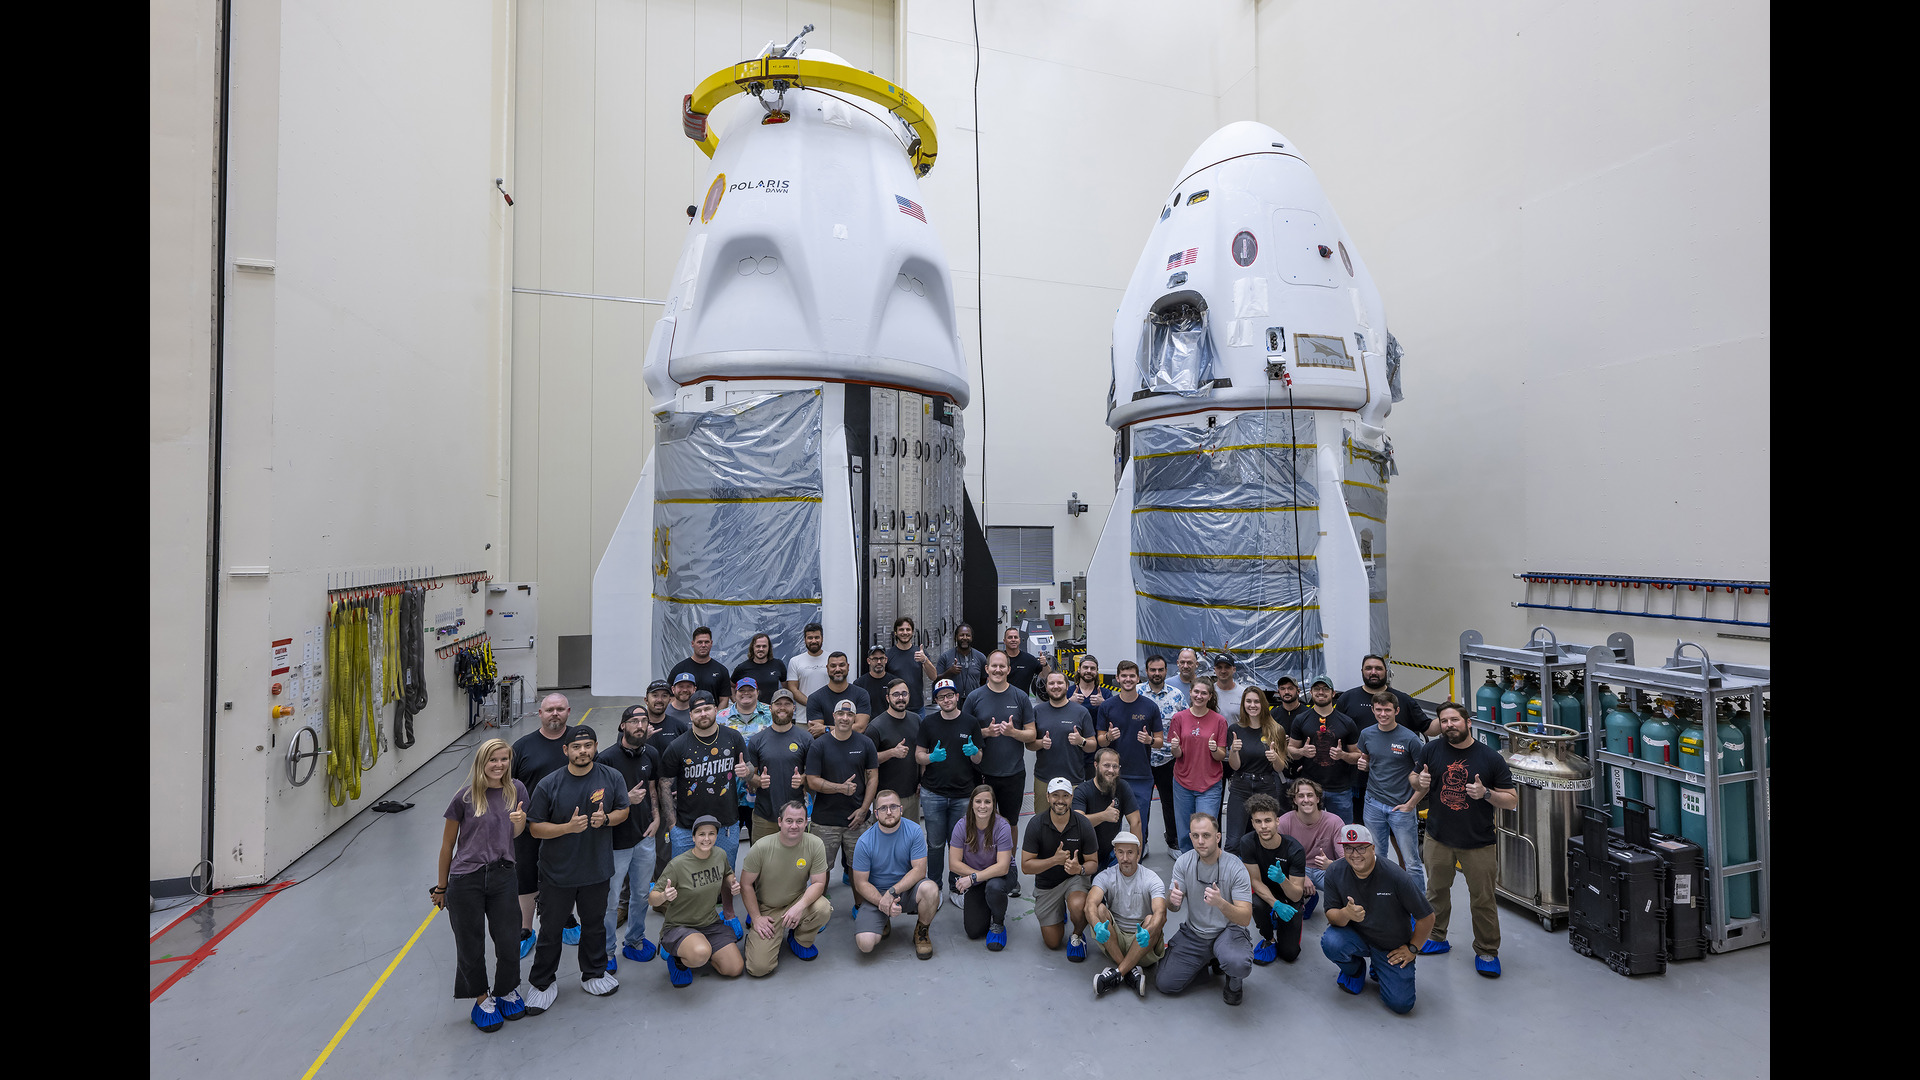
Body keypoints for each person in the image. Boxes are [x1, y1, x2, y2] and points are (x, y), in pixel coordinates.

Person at [523, 725, 628, 1013]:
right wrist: (567, 828)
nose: (583, 751)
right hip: (557, 873)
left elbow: (623, 810)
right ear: (566, 750)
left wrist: (606, 819)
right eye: (576, 746)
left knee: (594, 926)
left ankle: (593, 973)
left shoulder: (611, 777)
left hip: (597, 869)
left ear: (595, 747)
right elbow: (534, 829)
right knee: (550, 929)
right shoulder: (549, 784)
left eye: (588, 745)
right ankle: (542, 983)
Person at [1409, 701, 1518, 977]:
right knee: (1435, 891)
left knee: (1482, 899)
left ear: (1468, 722)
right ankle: (1435, 936)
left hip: (1477, 842)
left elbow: (1512, 800)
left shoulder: (1490, 758)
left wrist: (1486, 794)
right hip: (1437, 837)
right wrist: (1417, 783)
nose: (1449, 726)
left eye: (1454, 720)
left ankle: (1487, 950)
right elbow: (1415, 777)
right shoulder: (1431, 749)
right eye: (1444, 721)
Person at [432, 738, 531, 1031]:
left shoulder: (518, 790)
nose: (498, 765)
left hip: (503, 875)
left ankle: (506, 990)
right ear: (481, 763)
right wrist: (441, 888)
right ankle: (481, 998)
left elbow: (516, 834)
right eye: (493, 760)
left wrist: (521, 819)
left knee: (509, 939)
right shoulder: (464, 797)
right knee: (470, 943)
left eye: (504, 759)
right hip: (466, 880)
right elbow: (448, 844)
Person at [658, 692, 749, 935]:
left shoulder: (733, 738)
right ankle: (680, 923)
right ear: (690, 715)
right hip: (687, 827)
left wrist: (746, 771)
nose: (703, 714)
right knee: (683, 880)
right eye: (697, 711)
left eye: (707, 709)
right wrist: (672, 825)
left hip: (726, 824)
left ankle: (728, 914)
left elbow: (748, 767)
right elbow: (665, 784)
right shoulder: (678, 746)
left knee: (726, 874)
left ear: (716, 711)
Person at [1320, 824, 1435, 1014]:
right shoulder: (1335, 871)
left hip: (1391, 946)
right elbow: (1331, 915)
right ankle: (1356, 970)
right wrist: (1346, 914)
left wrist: (1413, 948)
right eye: (1348, 848)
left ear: (1373, 848)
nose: (1355, 854)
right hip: (1357, 937)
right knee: (1331, 942)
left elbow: (1427, 917)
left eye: (1361, 848)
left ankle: (1379, 966)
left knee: (1401, 1004)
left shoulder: (1396, 876)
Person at [1155, 812, 1255, 1005]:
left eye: (1206, 835)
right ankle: (1207, 960)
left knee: (1238, 963)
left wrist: (1221, 903)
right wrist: (1172, 900)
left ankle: (1233, 979)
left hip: (1227, 931)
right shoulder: (1184, 862)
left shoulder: (1236, 867)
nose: (1200, 841)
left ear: (1218, 837)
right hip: (1195, 933)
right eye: (1195, 835)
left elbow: (1244, 918)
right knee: (1165, 984)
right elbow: (1173, 908)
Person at [511, 693, 578, 955]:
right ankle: (526, 927)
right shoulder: (523, 747)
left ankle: (565, 918)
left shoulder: (577, 741)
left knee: (566, 874)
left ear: (568, 711)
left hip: (567, 825)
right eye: (549, 709)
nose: (555, 713)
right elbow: (509, 786)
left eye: (560, 709)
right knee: (526, 876)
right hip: (529, 827)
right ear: (540, 713)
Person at [964, 650, 1035, 897]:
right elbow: (964, 733)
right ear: (986, 669)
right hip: (982, 773)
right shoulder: (974, 698)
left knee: (1010, 822)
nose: (997, 670)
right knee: (981, 822)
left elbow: (1031, 735)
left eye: (1001, 666)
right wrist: (985, 732)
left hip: (1013, 773)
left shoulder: (1020, 697)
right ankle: (982, 867)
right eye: (993, 666)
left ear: (1008, 669)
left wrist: (1012, 733)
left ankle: (1008, 868)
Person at [598, 705, 663, 970]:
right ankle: (606, 950)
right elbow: (597, 801)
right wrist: (626, 798)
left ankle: (635, 939)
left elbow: (652, 787)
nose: (639, 725)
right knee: (611, 901)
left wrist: (657, 816)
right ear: (622, 726)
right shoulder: (606, 759)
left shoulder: (652, 754)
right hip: (615, 843)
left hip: (644, 836)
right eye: (633, 721)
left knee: (640, 894)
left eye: (643, 721)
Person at [738, 800, 832, 977]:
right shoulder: (762, 847)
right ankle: (754, 939)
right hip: (768, 909)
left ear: (806, 822)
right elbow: (745, 884)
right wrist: (757, 917)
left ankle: (800, 940)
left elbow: (819, 882)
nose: (794, 826)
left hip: (797, 901)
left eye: (799, 821)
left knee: (823, 907)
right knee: (759, 968)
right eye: (789, 821)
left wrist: (800, 906)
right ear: (780, 822)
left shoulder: (815, 844)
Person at [650, 815, 745, 987]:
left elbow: (727, 873)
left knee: (735, 968)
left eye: (711, 834)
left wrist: (732, 883)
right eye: (701, 834)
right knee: (701, 952)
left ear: (717, 836)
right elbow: (652, 898)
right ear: (693, 837)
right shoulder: (678, 865)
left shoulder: (720, 855)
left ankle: (700, 949)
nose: (706, 839)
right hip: (680, 925)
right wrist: (664, 896)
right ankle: (678, 959)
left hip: (710, 923)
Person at [851, 789, 940, 959]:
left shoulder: (914, 831)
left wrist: (892, 892)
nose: (889, 812)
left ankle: (922, 931)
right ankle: (884, 918)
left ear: (901, 809)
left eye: (893, 806)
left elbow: (919, 870)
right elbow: (860, 883)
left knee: (931, 889)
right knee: (865, 944)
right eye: (883, 808)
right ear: (876, 814)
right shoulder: (864, 841)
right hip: (876, 895)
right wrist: (882, 901)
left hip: (906, 890)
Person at [1020, 777, 1101, 961]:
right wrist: (1055, 861)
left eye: (1065, 795)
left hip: (1074, 879)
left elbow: (1093, 863)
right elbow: (1026, 866)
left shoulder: (1083, 824)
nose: (1060, 800)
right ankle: (1059, 910)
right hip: (1047, 883)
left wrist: (1079, 869)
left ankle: (1077, 935)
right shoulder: (1036, 824)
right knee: (1053, 942)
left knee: (1078, 905)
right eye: (1055, 795)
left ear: (1071, 798)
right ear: (1047, 797)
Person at [917, 678, 983, 901]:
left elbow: (979, 757)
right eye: (941, 697)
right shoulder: (928, 723)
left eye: (950, 695)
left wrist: (973, 751)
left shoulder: (970, 722)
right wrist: (930, 757)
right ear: (936, 700)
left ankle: (957, 888)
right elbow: (918, 755)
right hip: (933, 793)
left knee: (959, 845)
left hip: (963, 795)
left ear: (957, 696)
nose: (946, 700)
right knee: (934, 844)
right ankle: (934, 889)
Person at [806, 699, 878, 899]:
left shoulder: (865, 743)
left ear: (854, 718)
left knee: (859, 868)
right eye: (841, 714)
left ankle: (860, 907)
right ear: (834, 716)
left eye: (849, 715)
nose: (845, 718)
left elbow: (873, 777)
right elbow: (812, 781)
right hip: (825, 821)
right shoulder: (819, 745)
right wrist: (840, 788)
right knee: (821, 870)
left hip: (857, 819)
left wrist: (864, 809)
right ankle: (819, 910)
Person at [1356, 690, 1428, 890]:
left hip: (1401, 808)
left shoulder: (1410, 739)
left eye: (1387, 710)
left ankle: (1418, 907)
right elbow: (1369, 760)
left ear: (1396, 710)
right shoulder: (1366, 734)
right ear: (1372, 710)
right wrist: (1364, 765)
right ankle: (1383, 897)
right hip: (1373, 804)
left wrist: (1411, 805)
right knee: (1376, 856)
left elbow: (1425, 779)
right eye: (1378, 709)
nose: (1383, 714)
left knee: (1411, 861)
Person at [1086, 830, 1167, 998]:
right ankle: (1130, 973)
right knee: (1100, 910)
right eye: (1120, 852)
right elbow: (1090, 906)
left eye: (1130, 852)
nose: (1125, 858)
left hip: (1143, 942)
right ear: (1115, 852)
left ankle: (1117, 973)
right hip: (1114, 940)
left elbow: (1161, 912)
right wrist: (1096, 925)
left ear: (1138, 854)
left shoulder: (1152, 878)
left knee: (1152, 920)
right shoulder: (1105, 876)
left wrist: (1150, 930)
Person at [1095, 660, 1162, 850]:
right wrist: (1108, 736)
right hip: (1112, 776)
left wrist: (1149, 740)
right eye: (1123, 675)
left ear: (1138, 678)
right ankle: (1110, 856)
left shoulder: (1150, 707)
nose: (1128, 679)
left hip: (1141, 775)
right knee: (1110, 820)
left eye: (1132, 676)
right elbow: (1100, 741)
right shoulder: (1107, 706)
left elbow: (1159, 741)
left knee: (1139, 821)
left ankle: (1139, 853)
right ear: (1117, 678)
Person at [1234, 793, 1307, 965]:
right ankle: (1269, 938)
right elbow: (1255, 881)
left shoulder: (1294, 849)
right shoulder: (1247, 842)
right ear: (1252, 823)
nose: (1263, 826)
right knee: (1255, 902)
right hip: (1266, 892)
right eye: (1258, 822)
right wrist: (1275, 904)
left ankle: (1305, 905)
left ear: (1277, 821)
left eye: (1268, 820)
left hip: (1289, 894)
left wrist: (1282, 880)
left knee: (1289, 954)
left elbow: (1296, 895)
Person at [1287, 674, 1363, 825]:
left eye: (1325, 689)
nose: (1321, 692)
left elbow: (1358, 756)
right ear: (1311, 692)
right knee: (1308, 829)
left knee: (1343, 832)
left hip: (1340, 790)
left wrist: (1342, 755)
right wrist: (1302, 752)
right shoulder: (1301, 720)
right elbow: (1290, 751)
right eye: (1317, 689)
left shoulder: (1347, 722)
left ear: (1333, 693)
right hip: (1309, 790)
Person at [1168, 677, 1230, 853]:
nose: (1199, 696)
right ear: (1190, 693)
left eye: (1204, 693)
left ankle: (1208, 869)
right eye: (1196, 692)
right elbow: (1177, 754)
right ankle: (1187, 869)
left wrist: (1213, 749)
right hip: (1183, 783)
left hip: (1209, 784)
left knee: (1206, 830)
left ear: (1210, 696)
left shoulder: (1219, 721)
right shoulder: (1179, 718)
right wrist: (1175, 748)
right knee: (1185, 832)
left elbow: (1221, 755)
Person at [948, 785, 1014, 949]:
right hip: (977, 876)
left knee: (994, 887)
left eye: (987, 802)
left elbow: (1003, 867)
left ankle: (998, 923)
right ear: (971, 804)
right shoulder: (961, 826)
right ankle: (989, 904)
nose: (982, 806)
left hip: (1002, 876)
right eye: (978, 801)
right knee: (973, 931)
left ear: (993, 804)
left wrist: (973, 878)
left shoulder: (1002, 826)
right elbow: (953, 863)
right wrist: (978, 876)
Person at [744, 689, 812, 844]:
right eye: (778, 704)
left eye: (787, 704)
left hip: (796, 816)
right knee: (762, 862)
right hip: (764, 815)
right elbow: (751, 777)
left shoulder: (806, 738)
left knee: (796, 863)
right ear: (770, 708)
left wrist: (802, 778)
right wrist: (757, 780)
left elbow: (814, 775)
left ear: (794, 708)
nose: (783, 707)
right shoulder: (757, 740)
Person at [1223, 687, 1286, 851]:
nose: (1253, 705)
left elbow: (1279, 767)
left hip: (1265, 786)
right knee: (1233, 841)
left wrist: (1275, 758)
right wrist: (1234, 751)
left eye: (1256, 701)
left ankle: (1262, 875)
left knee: (1265, 836)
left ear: (1263, 704)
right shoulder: (1235, 730)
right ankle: (1232, 876)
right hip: (1240, 786)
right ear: (1243, 704)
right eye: (1248, 701)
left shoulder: (1276, 729)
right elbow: (1234, 766)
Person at [1030, 670, 1098, 815]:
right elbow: (1029, 744)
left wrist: (1081, 741)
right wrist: (1041, 743)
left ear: (1067, 686)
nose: (1056, 686)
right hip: (1044, 779)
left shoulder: (1081, 712)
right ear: (1046, 687)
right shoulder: (1037, 711)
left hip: (1073, 779)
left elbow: (1093, 746)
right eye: (1052, 683)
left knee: (1074, 826)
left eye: (1060, 683)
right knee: (1043, 824)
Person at [1278, 777, 1346, 919]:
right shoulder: (1284, 822)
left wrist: (1332, 865)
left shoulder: (1334, 822)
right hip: (1297, 869)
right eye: (1300, 796)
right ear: (1295, 800)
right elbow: (1278, 858)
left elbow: (1346, 858)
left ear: (1317, 798)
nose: (1306, 799)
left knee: (1347, 883)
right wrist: (1301, 875)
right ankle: (1308, 899)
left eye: (1310, 795)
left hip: (1325, 869)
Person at [1141, 655, 1188, 856]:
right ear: (1147, 671)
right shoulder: (1137, 693)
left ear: (1166, 671)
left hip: (1169, 759)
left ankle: (1173, 842)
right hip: (1141, 760)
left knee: (1170, 803)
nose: (1157, 673)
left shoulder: (1177, 695)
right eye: (1153, 670)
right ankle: (1142, 843)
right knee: (1142, 804)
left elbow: (1186, 723)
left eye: (1160, 670)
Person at [643, 679, 688, 882]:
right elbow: (621, 757)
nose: (659, 700)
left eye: (663, 695)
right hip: (643, 797)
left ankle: (663, 890)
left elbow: (689, 760)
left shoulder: (678, 727)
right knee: (642, 844)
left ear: (670, 699)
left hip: (672, 796)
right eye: (655, 695)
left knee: (666, 845)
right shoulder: (636, 725)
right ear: (646, 699)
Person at [718, 677, 773, 834]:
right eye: (742, 690)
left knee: (759, 843)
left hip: (760, 790)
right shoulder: (721, 716)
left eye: (750, 690)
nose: (746, 693)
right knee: (728, 840)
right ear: (735, 693)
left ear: (757, 692)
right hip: (729, 790)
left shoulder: (771, 713)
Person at [1073, 747, 1141, 871]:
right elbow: (1077, 823)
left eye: (1115, 766)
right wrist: (1103, 816)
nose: (1111, 770)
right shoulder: (1082, 790)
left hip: (1111, 854)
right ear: (1096, 765)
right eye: (1106, 765)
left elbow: (1135, 821)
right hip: (1087, 857)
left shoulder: (1123, 787)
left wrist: (1136, 855)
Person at [868, 678, 924, 825]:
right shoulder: (875, 726)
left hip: (912, 795)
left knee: (909, 839)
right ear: (888, 698)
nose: (900, 698)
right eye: (896, 694)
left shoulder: (917, 720)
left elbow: (922, 752)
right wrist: (892, 752)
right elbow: (867, 761)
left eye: (904, 694)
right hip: (884, 798)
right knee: (885, 841)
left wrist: (922, 780)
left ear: (909, 696)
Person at [805, 651, 870, 735]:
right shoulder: (814, 698)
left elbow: (860, 728)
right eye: (833, 666)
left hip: (855, 746)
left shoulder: (861, 694)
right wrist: (847, 728)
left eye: (842, 665)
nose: (838, 669)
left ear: (848, 667)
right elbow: (816, 732)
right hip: (826, 747)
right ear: (827, 668)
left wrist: (826, 729)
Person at [669, 626, 733, 711]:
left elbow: (724, 700)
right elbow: (670, 696)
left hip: (711, 720)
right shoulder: (679, 669)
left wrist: (715, 716)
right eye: (699, 642)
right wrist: (681, 714)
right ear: (692, 644)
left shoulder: (721, 670)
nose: (703, 645)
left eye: (706, 642)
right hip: (685, 720)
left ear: (711, 643)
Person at [932, 623, 987, 700]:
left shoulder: (981, 657)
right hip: (951, 702)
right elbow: (935, 680)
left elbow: (983, 681)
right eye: (961, 635)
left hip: (974, 701)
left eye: (968, 635)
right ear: (955, 637)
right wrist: (949, 672)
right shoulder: (946, 657)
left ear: (972, 637)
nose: (965, 638)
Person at [885, 616, 928, 711]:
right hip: (896, 707)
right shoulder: (888, 655)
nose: (905, 633)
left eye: (908, 629)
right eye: (901, 630)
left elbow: (933, 676)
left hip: (918, 708)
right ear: (895, 633)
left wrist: (925, 660)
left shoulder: (920, 653)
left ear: (912, 632)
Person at [731, 632, 788, 703]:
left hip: (771, 711)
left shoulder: (778, 664)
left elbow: (786, 688)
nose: (761, 649)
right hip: (750, 711)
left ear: (769, 648)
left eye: (764, 646)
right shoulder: (742, 668)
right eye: (758, 646)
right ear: (752, 647)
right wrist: (736, 702)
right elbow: (731, 686)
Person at [1002, 625, 1050, 698]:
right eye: (1010, 637)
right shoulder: (999, 659)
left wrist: (1045, 664)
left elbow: (1046, 675)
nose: (1013, 639)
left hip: (1022, 702)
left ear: (1019, 640)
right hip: (1002, 700)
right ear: (1004, 641)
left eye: (1016, 637)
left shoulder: (1029, 660)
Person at [786, 622, 830, 700]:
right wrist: (811, 704)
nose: (813, 641)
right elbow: (792, 688)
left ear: (822, 638)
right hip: (804, 711)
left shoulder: (831, 659)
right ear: (805, 640)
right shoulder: (795, 661)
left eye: (817, 637)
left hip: (828, 711)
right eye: (810, 638)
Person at [853, 646, 893, 722]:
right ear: (868, 661)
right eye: (875, 659)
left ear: (886, 660)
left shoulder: (894, 682)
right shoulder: (859, 684)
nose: (878, 662)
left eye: (881, 658)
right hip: (867, 727)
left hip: (889, 725)